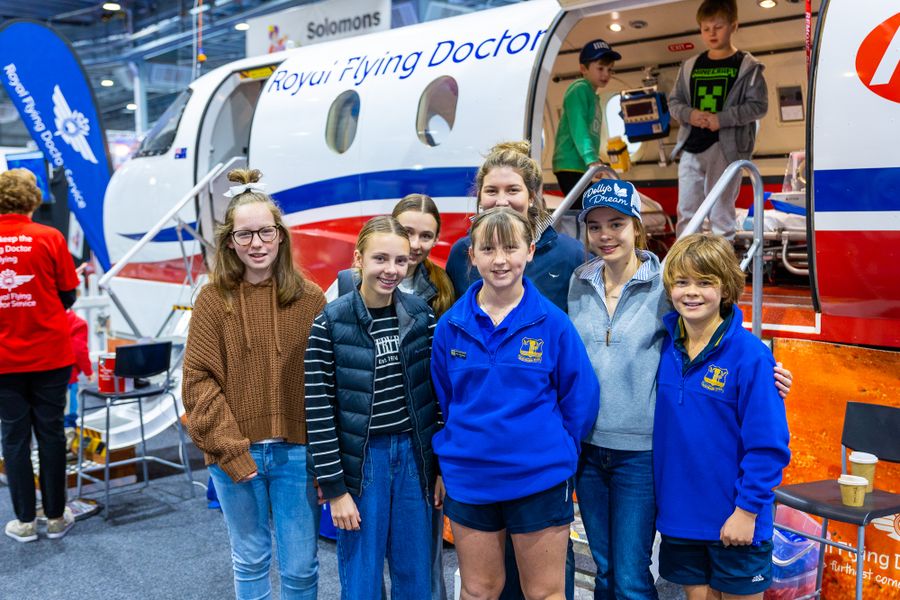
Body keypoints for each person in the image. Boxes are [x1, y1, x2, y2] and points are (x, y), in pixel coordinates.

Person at [568, 180, 793, 599]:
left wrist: (769, 371)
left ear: (637, 226)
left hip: (647, 457)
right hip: (606, 459)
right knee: (605, 570)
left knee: (633, 576)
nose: (605, 234)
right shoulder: (582, 283)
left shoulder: (668, 292)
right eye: (594, 226)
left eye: (616, 223)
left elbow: (767, 441)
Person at [432, 207, 600, 600]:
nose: (500, 259)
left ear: (530, 250)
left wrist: (552, 450)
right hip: (471, 479)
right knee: (479, 591)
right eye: (487, 249)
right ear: (471, 256)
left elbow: (581, 399)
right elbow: (447, 398)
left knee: (544, 593)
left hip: (539, 478)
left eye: (511, 247)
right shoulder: (450, 327)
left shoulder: (554, 324)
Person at [182, 168, 325, 600]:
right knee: (250, 560)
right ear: (230, 242)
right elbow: (197, 383)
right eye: (245, 236)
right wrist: (231, 449)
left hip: (296, 453)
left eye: (265, 232)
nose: (257, 244)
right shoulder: (212, 299)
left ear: (280, 236)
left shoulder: (311, 299)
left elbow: (323, 382)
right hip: (233, 452)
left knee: (301, 568)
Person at [304, 216, 442, 600]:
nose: (391, 270)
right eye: (380, 258)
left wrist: (439, 468)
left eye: (400, 261)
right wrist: (335, 489)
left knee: (415, 574)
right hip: (362, 465)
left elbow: (436, 396)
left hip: (414, 461)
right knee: (361, 577)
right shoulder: (331, 322)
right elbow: (318, 409)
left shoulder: (421, 315)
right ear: (359, 259)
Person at [655, 233, 791, 600]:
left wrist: (747, 511)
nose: (691, 292)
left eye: (705, 282)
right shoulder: (664, 346)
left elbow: (769, 446)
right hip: (682, 520)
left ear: (726, 288)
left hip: (736, 519)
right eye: (681, 282)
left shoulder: (751, 357)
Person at [0, 168, 80, 542]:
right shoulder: (49, 237)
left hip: (4, 360)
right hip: (49, 354)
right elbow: (68, 295)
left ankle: (24, 521)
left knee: (13, 438)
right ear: (33, 200)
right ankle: (55, 517)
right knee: (50, 434)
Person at [446, 140, 585, 313]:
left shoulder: (571, 254)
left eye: (513, 190)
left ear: (531, 196)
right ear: (480, 197)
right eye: (491, 191)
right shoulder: (462, 253)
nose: (502, 201)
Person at [668, 0, 768, 240]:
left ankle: (723, 271)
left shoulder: (747, 66)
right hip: (691, 147)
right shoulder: (690, 66)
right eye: (705, 28)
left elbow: (758, 106)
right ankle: (685, 268)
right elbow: (674, 103)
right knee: (687, 213)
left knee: (721, 213)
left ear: (734, 26)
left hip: (727, 149)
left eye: (718, 26)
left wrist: (721, 119)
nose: (711, 33)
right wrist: (690, 114)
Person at [552, 39, 622, 203]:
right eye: (600, 68)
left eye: (610, 70)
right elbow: (579, 127)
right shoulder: (579, 89)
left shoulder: (594, 96)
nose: (606, 74)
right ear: (583, 68)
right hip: (570, 164)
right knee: (585, 209)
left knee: (591, 208)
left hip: (580, 166)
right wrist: (591, 159)